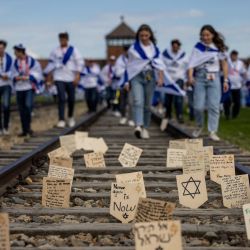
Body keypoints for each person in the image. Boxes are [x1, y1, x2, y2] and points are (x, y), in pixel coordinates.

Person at [188, 25, 229, 141]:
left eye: (208, 35)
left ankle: (212, 131)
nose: (205, 37)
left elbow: (224, 65)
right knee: (198, 106)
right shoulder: (198, 47)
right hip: (200, 77)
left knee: (214, 106)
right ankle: (199, 126)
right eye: (203, 35)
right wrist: (190, 76)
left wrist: (225, 80)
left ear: (213, 35)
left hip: (214, 77)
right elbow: (191, 64)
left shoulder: (218, 47)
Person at [125, 24, 164, 139]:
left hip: (150, 77)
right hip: (136, 76)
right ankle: (138, 125)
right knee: (137, 101)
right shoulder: (133, 49)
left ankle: (145, 127)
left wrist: (161, 77)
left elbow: (160, 64)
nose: (144, 38)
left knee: (147, 105)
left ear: (150, 35)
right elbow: (129, 66)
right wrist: (127, 81)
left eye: (146, 35)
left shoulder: (155, 49)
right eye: (141, 35)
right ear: (138, 36)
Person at [44, 32, 83, 128]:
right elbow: (51, 64)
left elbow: (80, 62)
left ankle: (70, 117)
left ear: (67, 39)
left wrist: (77, 76)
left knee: (71, 99)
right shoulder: (55, 51)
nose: (62, 41)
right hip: (59, 77)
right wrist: (48, 77)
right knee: (61, 98)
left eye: (64, 39)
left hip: (70, 77)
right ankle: (61, 119)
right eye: (60, 39)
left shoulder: (73, 50)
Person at [12, 44, 42, 137]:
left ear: (21, 52)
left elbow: (37, 72)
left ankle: (28, 127)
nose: (15, 53)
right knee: (21, 109)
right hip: (19, 88)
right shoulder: (15, 62)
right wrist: (15, 77)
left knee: (28, 106)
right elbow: (12, 73)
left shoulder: (31, 61)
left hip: (29, 87)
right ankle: (25, 130)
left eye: (16, 52)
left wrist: (29, 77)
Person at [161, 39, 188, 128]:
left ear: (179, 46)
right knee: (168, 99)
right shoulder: (165, 54)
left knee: (178, 99)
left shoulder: (183, 55)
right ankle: (168, 114)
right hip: (168, 79)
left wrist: (185, 80)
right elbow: (161, 65)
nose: (175, 48)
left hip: (179, 78)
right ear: (172, 46)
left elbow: (186, 67)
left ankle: (179, 115)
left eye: (177, 46)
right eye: (174, 46)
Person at [115, 45, 134, 126]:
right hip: (122, 84)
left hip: (132, 83)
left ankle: (131, 119)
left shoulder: (134, 59)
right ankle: (123, 117)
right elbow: (117, 73)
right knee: (122, 102)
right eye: (125, 51)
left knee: (131, 102)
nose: (127, 53)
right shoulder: (119, 60)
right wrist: (127, 70)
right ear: (123, 51)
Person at [224, 50, 247, 119]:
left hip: (237, 85)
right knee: (227, 100)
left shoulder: (240, 63)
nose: (234, 57)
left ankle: (234, 115)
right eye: (233, 55)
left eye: (235, 56)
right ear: (231, 55)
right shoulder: (227, 62)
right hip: (228, 85)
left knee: (237, 102)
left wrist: (245, 81)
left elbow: (244, 73)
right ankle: (227, 114)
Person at [0, 40, 12, 135]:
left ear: (4, 48)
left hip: (6, 85)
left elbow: (13, 70)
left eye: (2, 48)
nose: (0, 50)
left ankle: (6, 126)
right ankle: (0, 128)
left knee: (6, 106)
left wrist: (7, 75)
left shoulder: (9, 58)